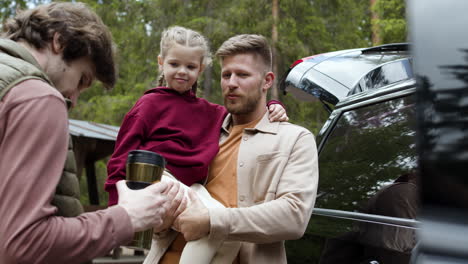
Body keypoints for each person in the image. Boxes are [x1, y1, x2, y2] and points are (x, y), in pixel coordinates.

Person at [0, 3, 181, 264]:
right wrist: (127, 217)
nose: (73, 99)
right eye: (83, 79)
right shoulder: (37, 97)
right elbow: (23, 243)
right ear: (59, 42)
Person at [104, 26, 288, 263]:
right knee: (210, 230)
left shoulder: (211, 113)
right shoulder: (148, 105)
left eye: (190, 67)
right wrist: (121, 210)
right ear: (161, 63)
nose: (182, 72)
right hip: (158, 178)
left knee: (228, 231)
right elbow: (122, 156)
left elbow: (248, 111)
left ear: (200, 69)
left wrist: (273, 104)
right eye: (174, 64)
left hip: (189, 186)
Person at [147, 34, 319, 263]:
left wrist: (211, 221)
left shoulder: (294, 139)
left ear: (267, 81)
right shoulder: (202, 130)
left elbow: (294, 215)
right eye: (226, 75)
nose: (231, 83)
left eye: (243, 75)